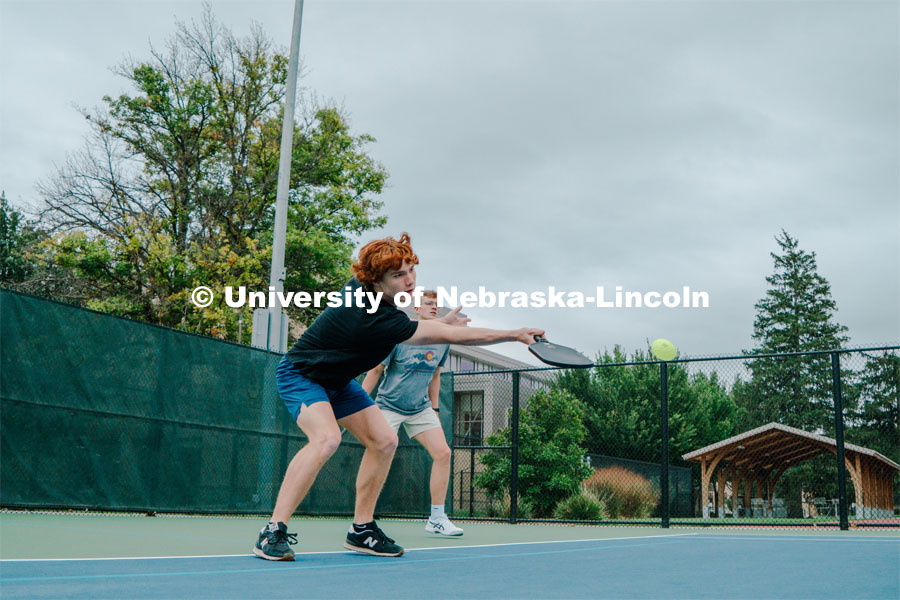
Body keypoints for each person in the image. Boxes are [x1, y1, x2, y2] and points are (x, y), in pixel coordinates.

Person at [253, 233, 543, 561]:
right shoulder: (375, 319)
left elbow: (437, 328)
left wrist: (437, 321)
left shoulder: (366, 289)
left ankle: (361, 530)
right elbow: (450, 336)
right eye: (399, 275)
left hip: (339, 382)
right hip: (301, 375)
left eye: (410, 270)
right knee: (326, 439)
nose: (410, 281)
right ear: (376, 280)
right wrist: (514, 333)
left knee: (385, 441)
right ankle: (272, 530)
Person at [361, 290, 463, 536]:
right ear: (416, 309)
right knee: (380, 455)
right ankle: (363, 520)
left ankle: (437, 518)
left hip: (420, 409)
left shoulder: (443, 341)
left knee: (443, 453)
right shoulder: (399, 336)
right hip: (388, 406)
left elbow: (435, 377)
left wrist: (435, 409)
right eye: (428, 303)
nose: (434, 307)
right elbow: (375, 371)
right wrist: (360, 404)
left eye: (436, 304)